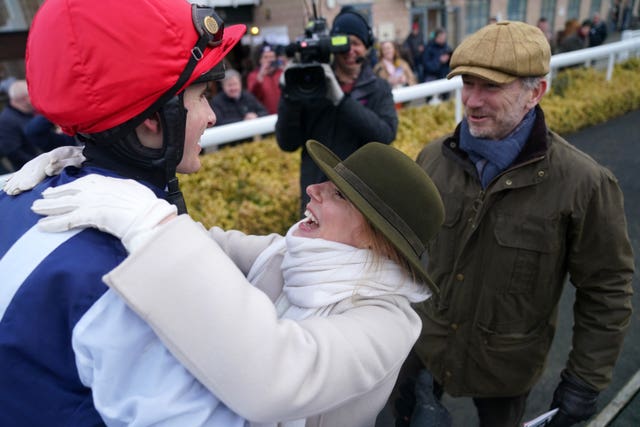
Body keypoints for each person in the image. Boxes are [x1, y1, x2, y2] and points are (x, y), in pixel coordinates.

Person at [11, 139, 446, 427]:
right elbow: (199, 245)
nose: (313, 190)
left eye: (338, 195)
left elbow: (278, 375)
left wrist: (153, 224)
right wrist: (98, 169)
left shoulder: (388, 323)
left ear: (376, 239)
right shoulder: (287, 254)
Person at [0, 0, 248, 424]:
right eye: (202, 95)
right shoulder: (125, 275)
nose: (210, 116)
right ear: (154, 118)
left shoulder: (20, 194)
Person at [393, 21, 634, 427]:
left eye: (490, 86)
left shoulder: (584, 183)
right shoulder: (433, 159)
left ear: (535, 92)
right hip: (423, 347)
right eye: (467, 82)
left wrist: (584, 382)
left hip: (506, 371)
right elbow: (397, 250)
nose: (471, 100)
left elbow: (607, 289)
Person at [276, 6, 398, 217]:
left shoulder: (378, 88)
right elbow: (287, 142)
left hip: (360, 200)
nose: (350, 51)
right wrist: (289, 96)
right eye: (343, 44)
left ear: (367, 47)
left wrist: (341, 100)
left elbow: (385, 134)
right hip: (315, 199)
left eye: (357, 43)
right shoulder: (311, 85)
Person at [0, 79, 39, 172]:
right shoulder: (7, 121)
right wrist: (41, 164)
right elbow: (14, 153)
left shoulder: (29, 112)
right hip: (30, 171)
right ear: (26, 99)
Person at [246, 43, 283, 115]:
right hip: (265, 116)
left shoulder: (281, 72)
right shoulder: (253, 76)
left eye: (272, 57)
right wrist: (260, 77)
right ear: (260, 60)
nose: (269, 60)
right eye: (266, 57)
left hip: (283, 114)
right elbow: (252, 97)